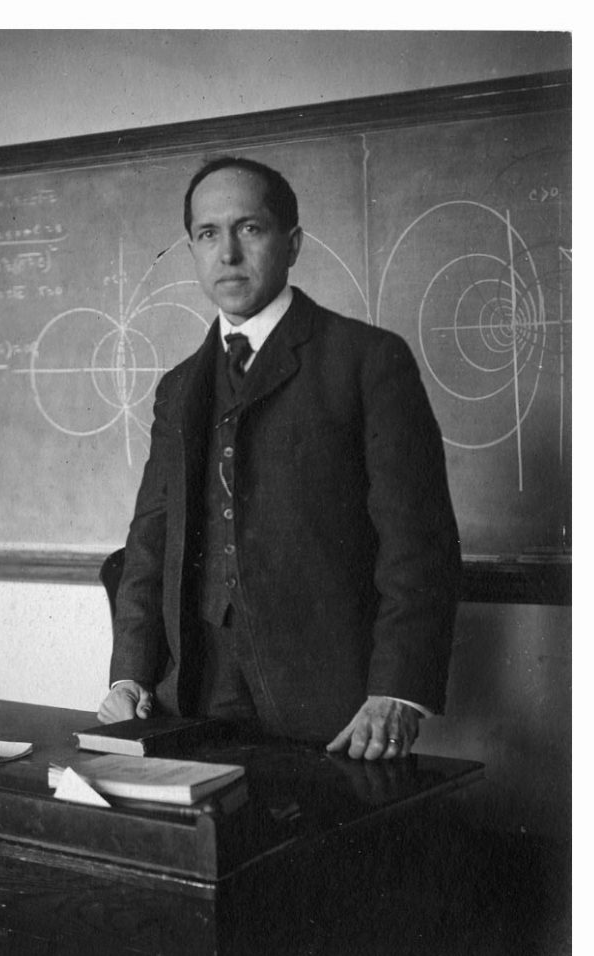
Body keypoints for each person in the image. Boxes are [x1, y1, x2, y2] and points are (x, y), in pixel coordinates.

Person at [97, 156, 461, 760]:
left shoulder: (366, 360)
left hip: (338, 708)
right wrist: (128, 675)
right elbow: (150, 541)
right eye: (207, 234)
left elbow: (418, 542)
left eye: (250, 228)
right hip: (192, 698)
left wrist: (395, 692)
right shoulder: (179, 386)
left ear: (291, 243)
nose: (228, 254)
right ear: (191, 249)